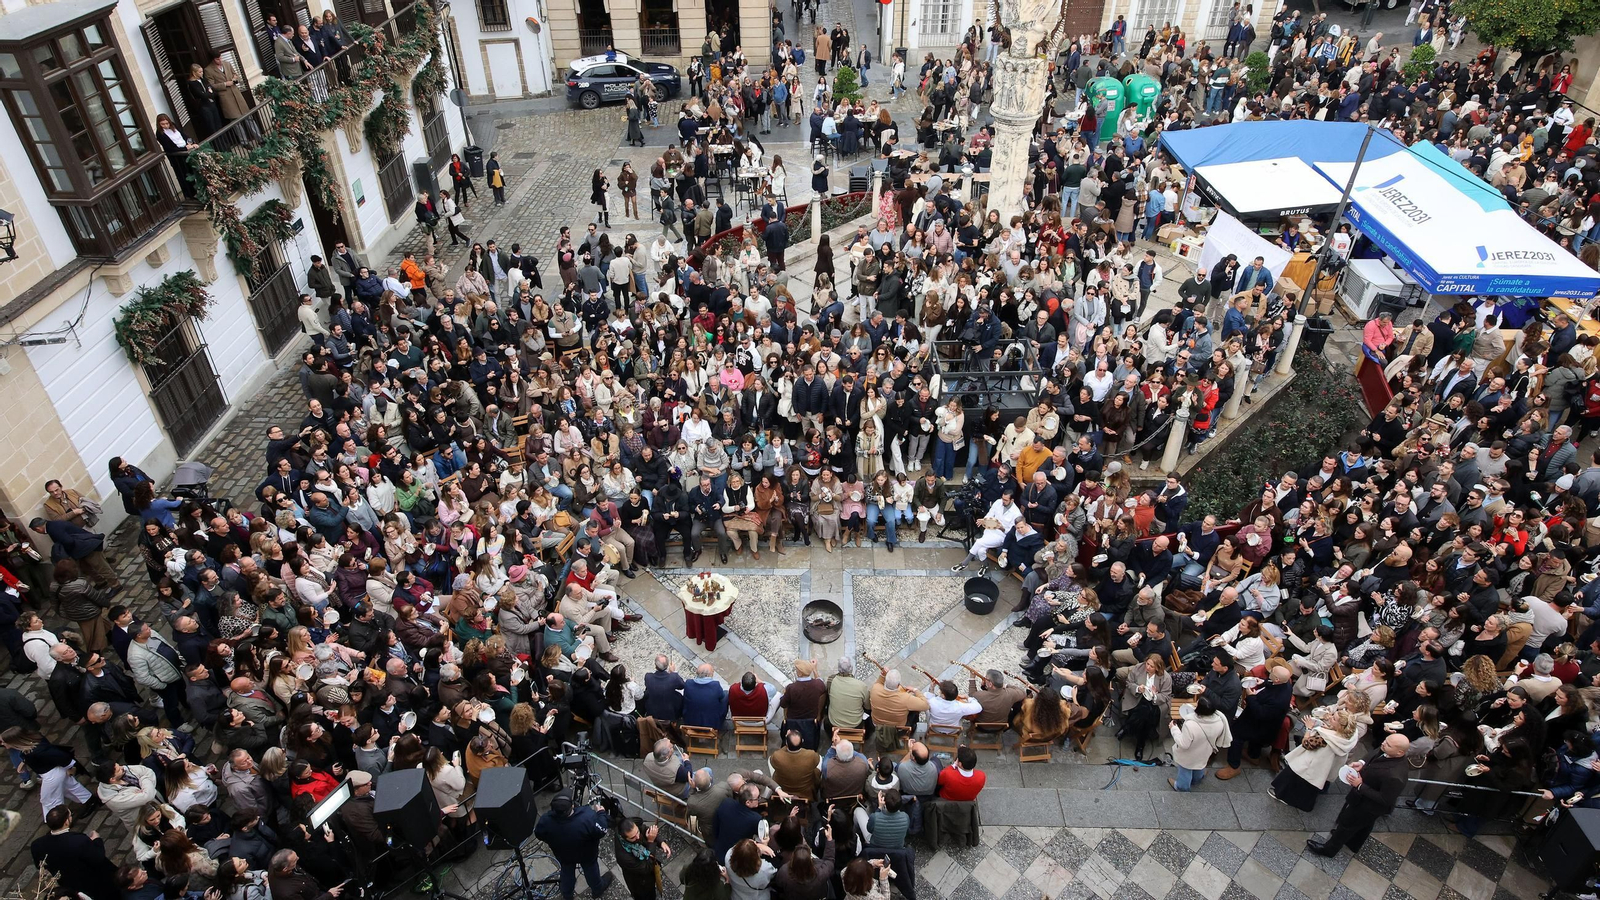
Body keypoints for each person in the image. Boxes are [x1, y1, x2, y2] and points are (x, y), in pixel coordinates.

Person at [1305, 734, 1411, 856]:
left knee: (1346, 824)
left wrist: (1360, 785)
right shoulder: (1388, 750)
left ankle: (1329, 850)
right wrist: (1362, 763)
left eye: (1388, 744)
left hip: (1368, 806)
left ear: (1400, 752)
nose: (1383, 744)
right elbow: (1376, 753)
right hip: (1363, 799)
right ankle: (1354, 843)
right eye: (1385, 740)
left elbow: (1385, 799)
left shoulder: (1395, 775)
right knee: (1365, 825)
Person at [534, 789, 616, 900]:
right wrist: (601, 813)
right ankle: (597, 888)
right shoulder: (587, 817)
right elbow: (601, 830)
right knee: (591, 869)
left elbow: (539, 834)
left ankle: (567, 895)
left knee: (566, 872)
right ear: (572, 806)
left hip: (563, 855)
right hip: (587, 854)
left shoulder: (546, 821)